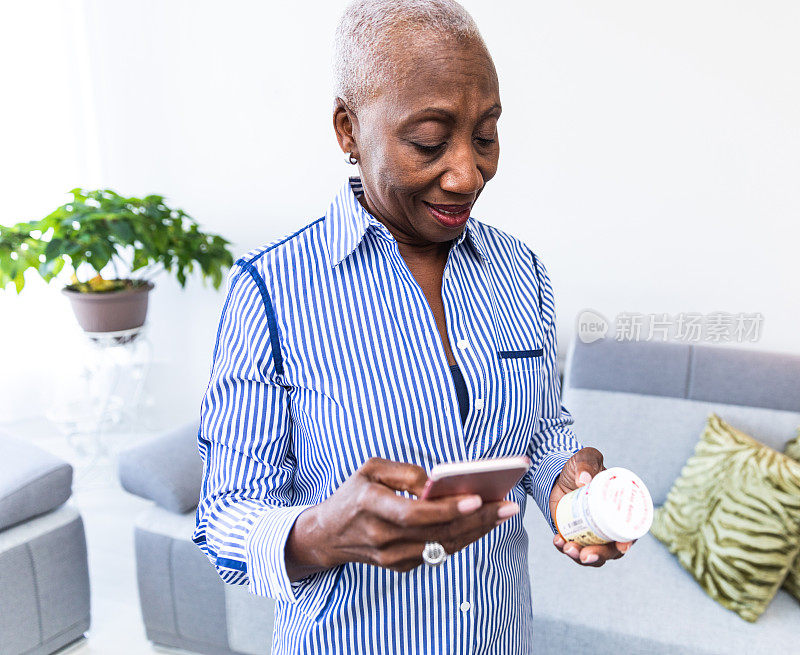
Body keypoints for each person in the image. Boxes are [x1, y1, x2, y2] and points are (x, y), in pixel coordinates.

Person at [192, 1, 635, 652]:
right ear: (348, 128)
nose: (467, 173)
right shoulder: (269, 291)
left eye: (485, 135)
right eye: (429, 141)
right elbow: (226, 521)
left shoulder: (522, 272)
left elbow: (540, 432)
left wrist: (567, 477)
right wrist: (320, 531)